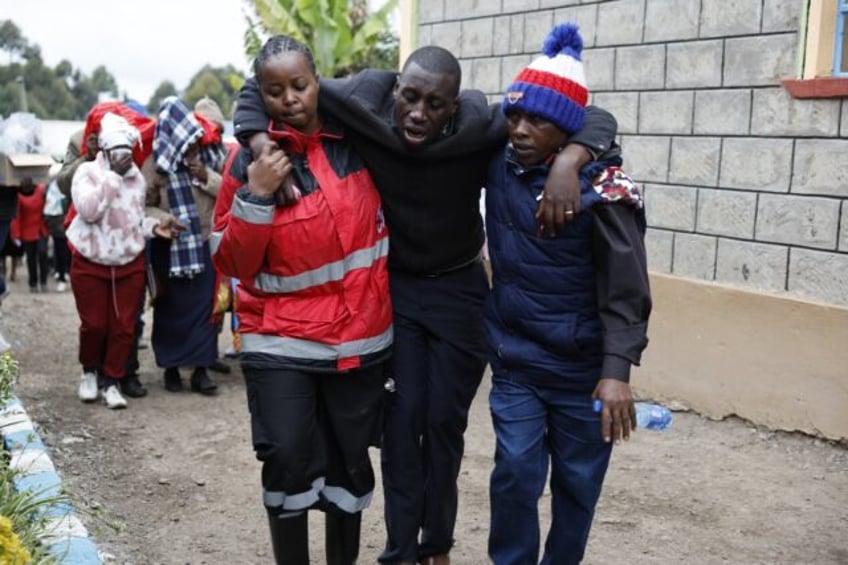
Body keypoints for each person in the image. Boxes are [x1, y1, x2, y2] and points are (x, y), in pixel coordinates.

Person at [234, 44, 619, 564]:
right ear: (395, 90)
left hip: (459, 290)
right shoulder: (363, 101)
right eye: (409, 98)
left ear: (454, 106)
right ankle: (399, 550)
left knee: (443, 423)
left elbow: (592, 115)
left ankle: (435, 545)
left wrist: (571, 159)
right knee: (400, 423)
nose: (418, 113)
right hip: (397, 290)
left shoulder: (482, 124)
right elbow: (263, 89)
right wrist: (259, 141)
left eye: (435, 104)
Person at [212, 35, 392, 565]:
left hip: (358, 343)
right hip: (280, 341)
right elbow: (230, 262)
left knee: (349, 468)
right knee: (287, 460)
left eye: (300, 85)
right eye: (274, 90)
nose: (289, 99)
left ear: (320, 83)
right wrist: (256, 195)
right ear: (259, 96)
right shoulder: (249, 163)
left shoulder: (358, 139)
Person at [484, 23, 651, 565]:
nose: (520, 129)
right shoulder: (498, 162)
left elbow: (627, 289)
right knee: (514, 474)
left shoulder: (606, 192)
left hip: (582, 373)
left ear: (568, 129)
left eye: (538, 120)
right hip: (517, 362)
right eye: (514, 116)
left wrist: (616, 371)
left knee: (578, 488)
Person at [67, 112, 181, 409]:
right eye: (118, 154)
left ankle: (113, 380)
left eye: (128, 154)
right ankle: (89, 372)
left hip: (128, 263)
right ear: (104, 151)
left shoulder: (138, 180)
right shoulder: (87, 173)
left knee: (124, 327)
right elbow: (90, 211)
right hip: (91, 261)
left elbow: (133, 220)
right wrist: (113, 177)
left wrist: (154, 227)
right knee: (94, 325)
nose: (124, 160)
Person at [145, 97, 228, 395]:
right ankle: (170, 368)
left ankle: (201, 370)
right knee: (169, 310)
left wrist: (205, 176)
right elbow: (143, 207)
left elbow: (230, 192)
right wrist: (163, 219)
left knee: (205, 311)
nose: (193, 146)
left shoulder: (213, 156)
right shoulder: (156, 164)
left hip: (204, 245)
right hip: (169, 249)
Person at [10, 181, 49, 293]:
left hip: (41, 229)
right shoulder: (18, 196)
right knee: (31, 258)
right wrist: (16, 235)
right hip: (27, 232)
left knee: (42, 254)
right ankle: (33, 283)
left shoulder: (41, 190)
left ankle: (43, 281)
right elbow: (17, 216)